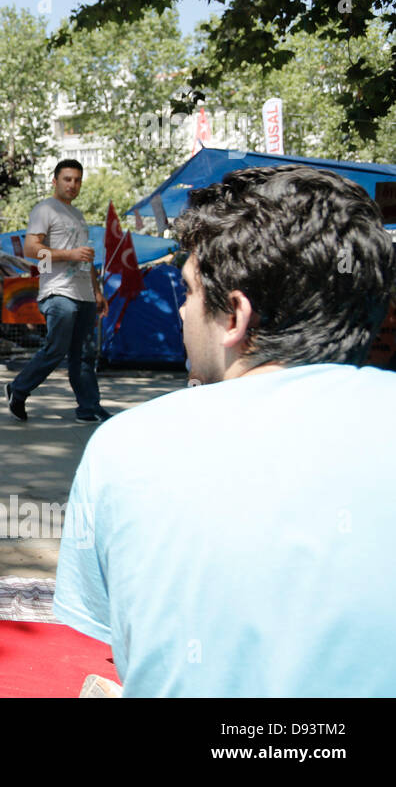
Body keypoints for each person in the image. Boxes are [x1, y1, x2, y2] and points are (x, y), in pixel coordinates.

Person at [54, 165, 396, 697]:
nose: (183, 312)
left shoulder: (127, 446)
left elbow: (128, 650)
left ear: (235, 315)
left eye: (189, 292)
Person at [4, 160, 110, 423]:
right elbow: (31, 250)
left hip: (84, 293)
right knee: (56, 349)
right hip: (58, 291)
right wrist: (68, 254)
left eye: (77, 180)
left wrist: (96, 292)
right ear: (55, 181)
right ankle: (18, 388)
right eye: (67, 179)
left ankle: (89, 409)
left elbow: (86, 259)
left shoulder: (79, 215)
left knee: (84, 354)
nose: (72, 185)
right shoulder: (45, 209)